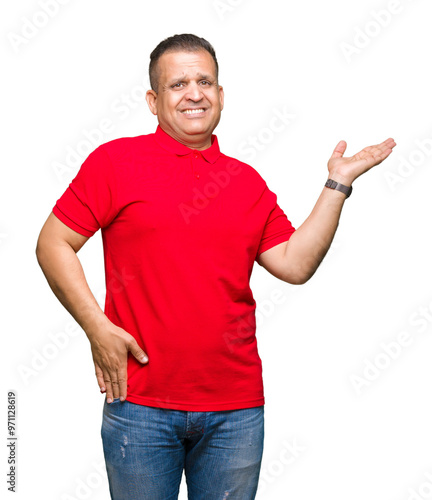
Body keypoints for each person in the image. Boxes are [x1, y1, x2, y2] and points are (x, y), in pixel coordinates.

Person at [36, 33, 396, 500]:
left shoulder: (245, 182)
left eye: (205, 81)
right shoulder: (115, 163)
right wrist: (96, 327)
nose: (194, 92)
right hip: (141, 404)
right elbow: (53, 243)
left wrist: (337, 183)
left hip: (236, 410)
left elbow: (294, 263)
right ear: (153, 99)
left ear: (221, 95)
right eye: (177, 83)